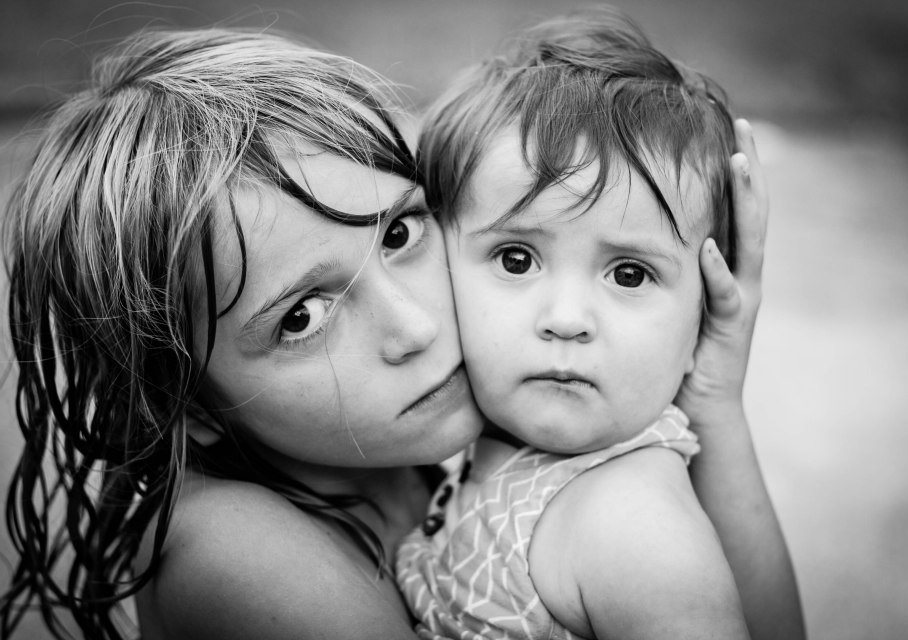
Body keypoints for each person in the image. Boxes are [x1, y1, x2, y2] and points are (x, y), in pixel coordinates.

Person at [0, 25, 800, 640]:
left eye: (399, 236)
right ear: (192, 402)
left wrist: (713, 398)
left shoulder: (428, 438)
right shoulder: (241, 555)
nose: (416, 327)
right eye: (302, 317)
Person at [396, 9, 803, 640]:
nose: (565, 320)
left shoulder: (630, 527)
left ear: (703, 310)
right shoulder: (478, 450)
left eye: (631, 275)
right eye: (516, 258)